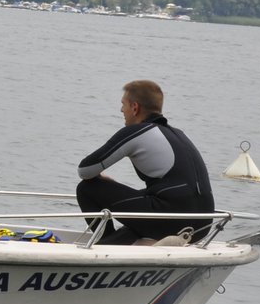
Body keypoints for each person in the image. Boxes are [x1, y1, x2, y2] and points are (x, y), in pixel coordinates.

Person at [76, 79, 215, 243]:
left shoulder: (136, 132)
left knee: (87, 188)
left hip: (171, 222)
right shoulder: (180, 134)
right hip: (203, 225)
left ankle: (105, 245)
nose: (121, 109)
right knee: (147, 203)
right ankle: (120, 242)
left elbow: (85, 170)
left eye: (123, 104)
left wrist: (98, 178)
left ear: (135, 107)